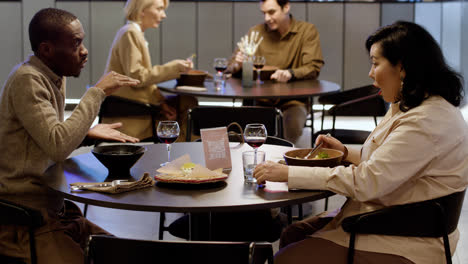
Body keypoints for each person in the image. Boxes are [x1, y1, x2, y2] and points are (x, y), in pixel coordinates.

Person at [253, 21, 468, 263]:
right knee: (292, 233)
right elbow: (389, 165)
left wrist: (289, 172)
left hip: (403, 235)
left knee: (285, 257)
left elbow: (367, 182)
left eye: (375, 63)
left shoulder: (426, 122)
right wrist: (344, 152)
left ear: (403, 68)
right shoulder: (412, 105)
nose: (370, 72)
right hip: (388, 214)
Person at [0, 8, 141, 264]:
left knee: (123, 254)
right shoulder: (28, 80)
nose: (84, 50)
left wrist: (85, 134)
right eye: (76, 43)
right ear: (46, 50)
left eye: (82, 41)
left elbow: (46, 138)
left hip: (55, 213)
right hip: (23, 222)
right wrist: (96, 93)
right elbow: (57, 146)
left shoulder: (51, 77)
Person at [226, 0, 324, 144]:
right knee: (245, 127)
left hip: (293, 101)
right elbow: (231, 66)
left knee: (291, 127)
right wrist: (237, 64)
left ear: (286, 7)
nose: (266, 18)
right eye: (264, 13)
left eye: (271, 12)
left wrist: (290, 73)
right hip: (259, 100)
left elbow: (313, 66)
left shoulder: (306, 31)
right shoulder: (256, 32)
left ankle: (281, 160)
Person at [103, 0, 198, 141]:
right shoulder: (130, 33)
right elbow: (138, 77)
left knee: (187, 101)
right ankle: (184, 150)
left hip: (133, 103)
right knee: (187, 105)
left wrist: (161, 103)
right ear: (142, 10)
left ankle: (183, 149)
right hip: (129, 108)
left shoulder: (133, 32)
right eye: (159, 9)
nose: (163, 15)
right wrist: (175, 67)